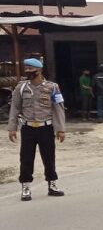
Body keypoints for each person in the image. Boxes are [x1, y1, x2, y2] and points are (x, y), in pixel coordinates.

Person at [7, 58, 66, 201]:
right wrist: (12, 128)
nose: (28, 72)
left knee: (49, 157)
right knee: (26, 158)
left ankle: (52, 184)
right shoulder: (21, 88)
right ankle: (25, 187)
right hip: (28, 128)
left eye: (31, 70)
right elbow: (15, 108)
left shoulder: (52, 87)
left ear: (39, 71)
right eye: (26, 69)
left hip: (46, 128)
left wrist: (60, 129)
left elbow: (58, 108)